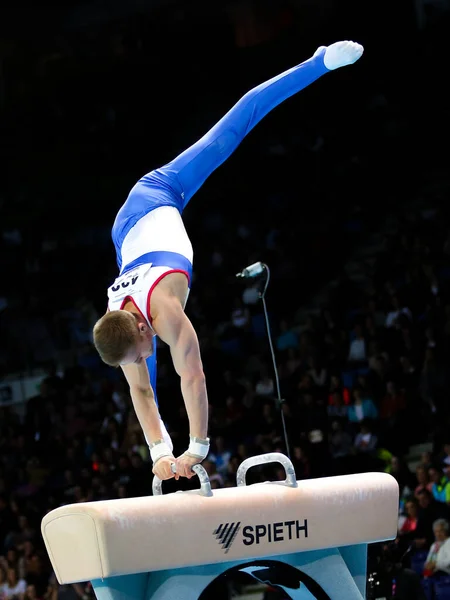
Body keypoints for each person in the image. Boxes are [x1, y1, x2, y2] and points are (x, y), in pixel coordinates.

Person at [92, 41, 364, 481]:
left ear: (142, 326)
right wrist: (160, 454)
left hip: (156, 196)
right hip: (128, 242)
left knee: (231, 128)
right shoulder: (118, 331)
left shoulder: (165, 312)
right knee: (147, 376)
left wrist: (197, 448)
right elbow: (140, 392)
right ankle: (161, 444)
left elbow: (194, 377)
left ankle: (318, 62)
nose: (141, 355)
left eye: (141, 347)